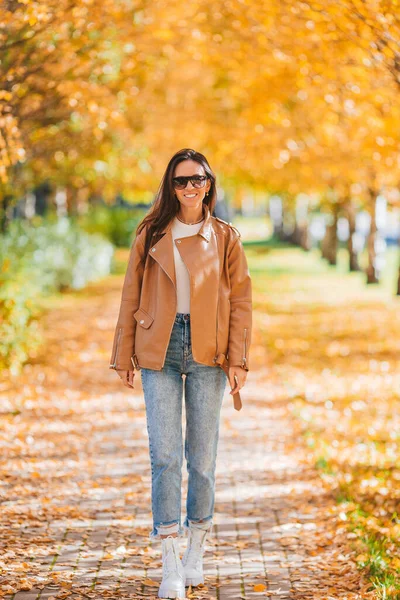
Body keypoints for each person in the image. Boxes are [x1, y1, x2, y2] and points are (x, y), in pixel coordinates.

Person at [109, 148, 252, 599]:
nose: (190, 187)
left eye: (198, 179)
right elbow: (131, 292)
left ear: (209, 183)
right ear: (170, 187)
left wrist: (239, 359)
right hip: (160, 349)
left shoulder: (226, 237)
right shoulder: (151, 231)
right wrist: (122, 352)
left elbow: (243, 301)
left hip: (208, 351)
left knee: (202, 460)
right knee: (165, 456)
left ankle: (196, 550)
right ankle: (169, 557)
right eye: (181, 181)